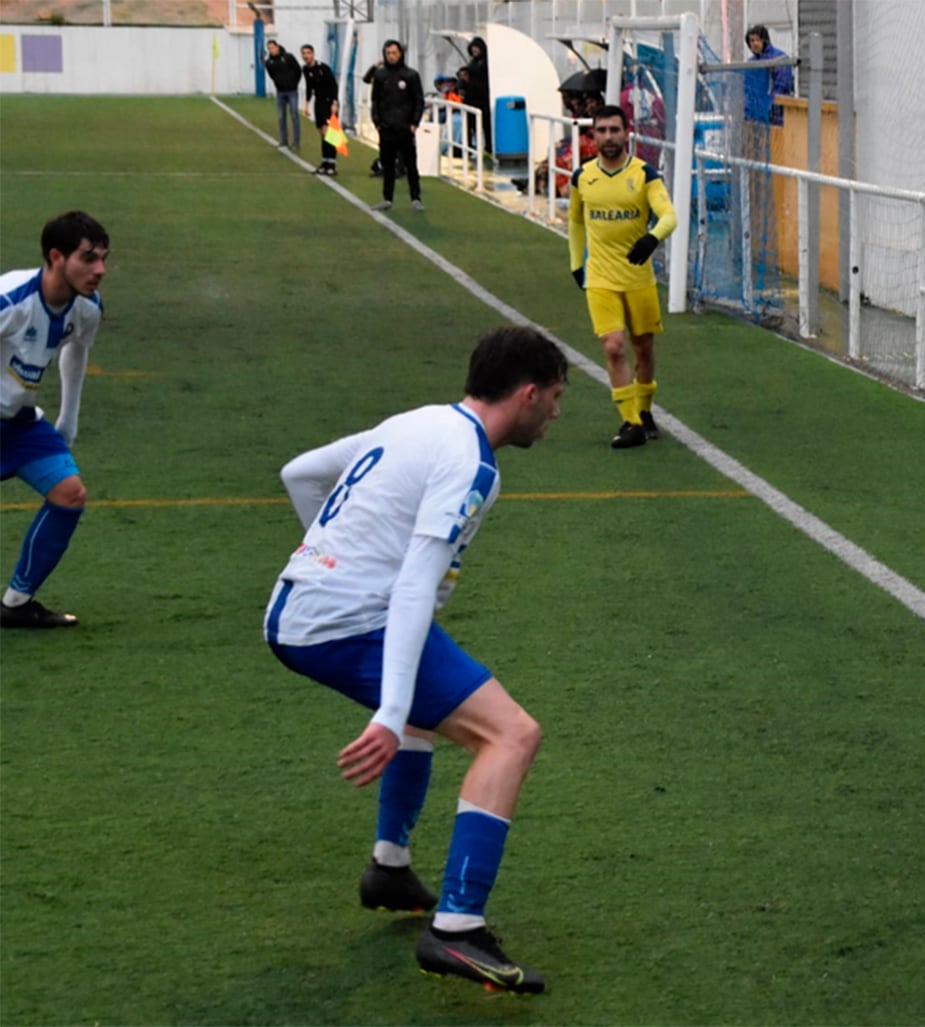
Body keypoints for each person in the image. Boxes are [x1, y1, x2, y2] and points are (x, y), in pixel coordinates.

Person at [264, 325, 567, 993]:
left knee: (431, 702)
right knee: (512, 734)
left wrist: (331, 558)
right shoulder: (472, 464)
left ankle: (390, 866)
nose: (554, 412)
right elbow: (412, 587)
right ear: (526, 393)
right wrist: (390, 709)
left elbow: (301, 472)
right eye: (553, 397)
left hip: (302, 608)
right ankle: (457, 928)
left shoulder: (416, 422)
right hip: (341, 622)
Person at [0, 211, 108, 629]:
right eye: (88, 258)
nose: (99, 269)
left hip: (22, 423)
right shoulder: (11, 301)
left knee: (70, 493)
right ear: (56, 256)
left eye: (103, 258)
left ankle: (15, 604)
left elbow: (77, 349)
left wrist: (69, 417)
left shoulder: (87, 307)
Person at [568, 104, 677, 450]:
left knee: (643, 348)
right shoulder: (582, 177)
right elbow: (575, 220)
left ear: (626, 132)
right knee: (613, 347)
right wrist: (576, 263)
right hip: (599, 278)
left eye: (615, 130)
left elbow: (669, 216)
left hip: (638, 278)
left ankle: (644, 412)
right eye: (602, 130)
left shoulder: (645, 174)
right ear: (593, 135)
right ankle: (630, 422)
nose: (608, 137)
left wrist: (651, 238)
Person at [369, 39, 426, 213]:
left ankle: (415, 198)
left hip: (405, 128)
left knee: (410, 164)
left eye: (394, 53)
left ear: (400, 54)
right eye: (388, 53)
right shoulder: (380, 76)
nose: (391, 56)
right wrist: (377, 122)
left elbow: (419, 101)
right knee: (387, 165)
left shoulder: (411, 75)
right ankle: (387, 199)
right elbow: (375, 101)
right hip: (386, 129)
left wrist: (414, 123)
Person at [743, 25, 795, 128]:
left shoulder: (778, 59)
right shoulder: (751, 63)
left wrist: (769, 107)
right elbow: (748, 90)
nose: (754, 44)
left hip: (777, 117)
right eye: (751, 41)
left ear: (764, 40)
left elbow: (781, 87)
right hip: (756, 118)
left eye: (757, 40)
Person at [300, 45, 340, 176]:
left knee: (330, 134)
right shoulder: (305, 69)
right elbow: (309, 87)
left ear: (313, 54)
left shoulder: (323, 68)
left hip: (329, 102)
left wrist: (335, 102)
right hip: (319, 103)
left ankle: (332, 164)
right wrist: (306, 104)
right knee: (322, 134)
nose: (306, 56)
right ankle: (324, 162)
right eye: (304, 53)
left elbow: (334, 85)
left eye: (308, 53)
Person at [264, 40, 303, 150]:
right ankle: (284, 140)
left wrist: (294, 83)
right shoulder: (269, 63)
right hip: (280, 91)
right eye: (269, 48)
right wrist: (278, 83)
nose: (272, 50)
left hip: (292, 91)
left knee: (294, 116)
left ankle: (296, 142)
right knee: (281, 117)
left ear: (277, 47)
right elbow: (272, 75)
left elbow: (298, 70)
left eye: (273, 47)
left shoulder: (288, 57)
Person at [459, 37, 491, 155]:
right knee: (470, 126)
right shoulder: (472, 63)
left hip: (482, 101)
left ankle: (488, 148)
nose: (474, 50)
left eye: (476, 48)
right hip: (471, 101)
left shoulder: (486, 63)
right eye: (472, 48)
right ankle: (469, 148)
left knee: (486, 127)